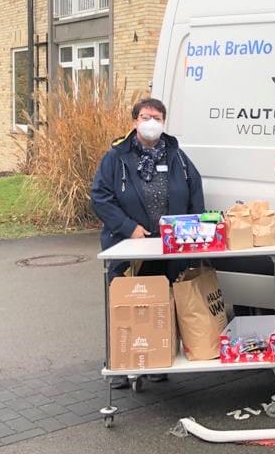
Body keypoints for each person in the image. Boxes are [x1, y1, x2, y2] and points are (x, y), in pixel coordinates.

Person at [91, 97, 204, 388]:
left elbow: (194, 191)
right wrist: (129, 228)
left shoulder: (177, 156)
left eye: (156, 117)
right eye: (145, 116)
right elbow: (100, 197)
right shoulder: (116, 156)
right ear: (134, 121)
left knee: (159, 307)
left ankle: (155, 360)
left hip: (167, 248)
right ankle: (119, 364)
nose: (151, 122)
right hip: (129, 246)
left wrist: (194, 232)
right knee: (126, 308)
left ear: (163, 122)